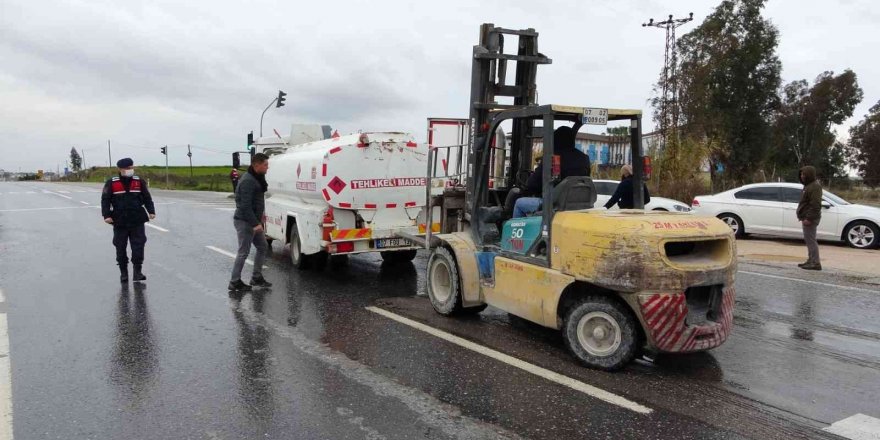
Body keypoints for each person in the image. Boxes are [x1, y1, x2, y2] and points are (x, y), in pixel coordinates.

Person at [512, 126, 590, 217]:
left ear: (555, 139)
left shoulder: (553, 158)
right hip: (577, 204)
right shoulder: (584, 158)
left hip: (555, 205)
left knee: (519, 203)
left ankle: (515, 231)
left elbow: (532, 184)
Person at [102, 158, 156, 283]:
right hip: (119, 220)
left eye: (132, 167)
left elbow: (147, 197)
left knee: (138, 246)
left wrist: (151, 211)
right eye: (128, 168)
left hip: (137, 219)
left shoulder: (139, 181)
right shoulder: (111, 183)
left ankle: (137, 273)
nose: (131, 170)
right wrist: (106, 215)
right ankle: (123, 273)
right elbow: (105, 200)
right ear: (121, 169)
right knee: (120, 246)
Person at [229, 153, 272, 291]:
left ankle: (256, 277)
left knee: (262, 246)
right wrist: (255, 223)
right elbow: (245, 206)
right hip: (245, 221)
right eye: (265, 164)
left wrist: (261, 217)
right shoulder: (248, 180)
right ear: (256, 165)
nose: (267, 167)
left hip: (252, 220)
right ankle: (234, 281)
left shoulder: (257, 177)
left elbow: (256, 201)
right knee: (243, 252)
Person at [797, 166, 823, 271]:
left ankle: (816, 263)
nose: (802, 176)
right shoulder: (808, 186)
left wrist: (809, 218)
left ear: (810, 175)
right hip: (806, 217)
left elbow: (815, 205)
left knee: (811, 240)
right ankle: (810, 260)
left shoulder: (815, 186)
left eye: (804, 174)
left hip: (810, 218)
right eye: (801, 174)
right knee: (809, 240)